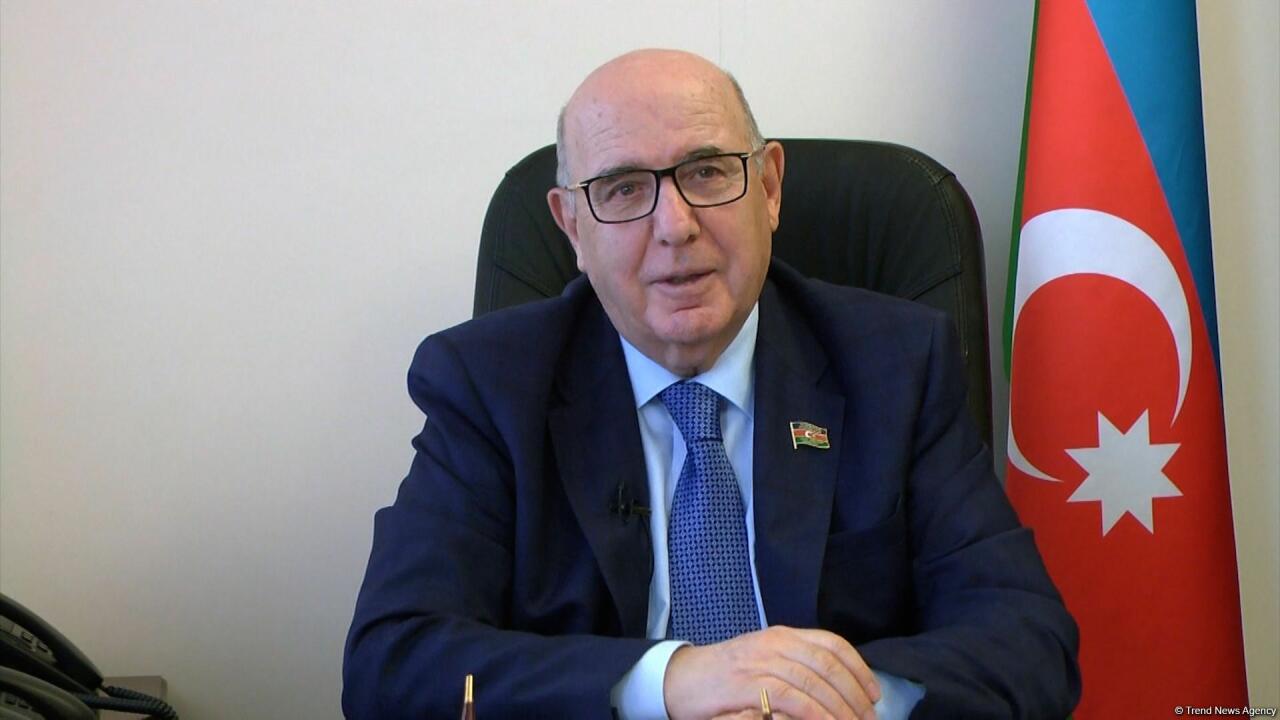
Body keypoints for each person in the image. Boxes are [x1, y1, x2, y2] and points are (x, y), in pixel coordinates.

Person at [343, 49, 1079, 720]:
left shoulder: (896, 363)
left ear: (769, 188)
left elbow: (1029, 641)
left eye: (706, 172)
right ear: (572, 229)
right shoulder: (489, 384)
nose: (676, 225)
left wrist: (822, 697)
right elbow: (391, 661)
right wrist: (669, 683)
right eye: (623, 189)